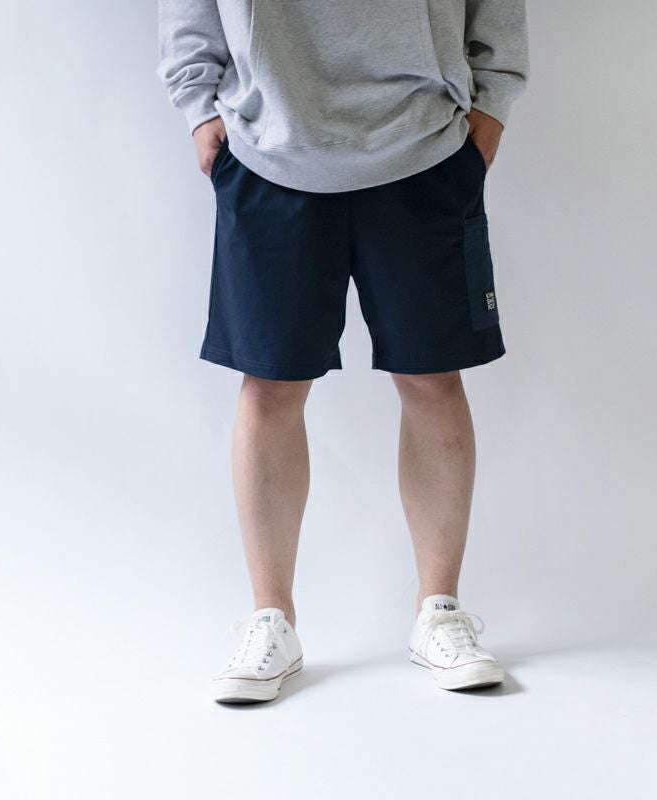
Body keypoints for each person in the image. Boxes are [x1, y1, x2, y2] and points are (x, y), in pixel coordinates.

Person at [157, 0, 529, 703]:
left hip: (424, 145)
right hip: (270, 149)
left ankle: (440, 611)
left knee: (432, 379)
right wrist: (199, 109)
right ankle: (272, 619)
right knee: (269, 385)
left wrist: (494, 99)